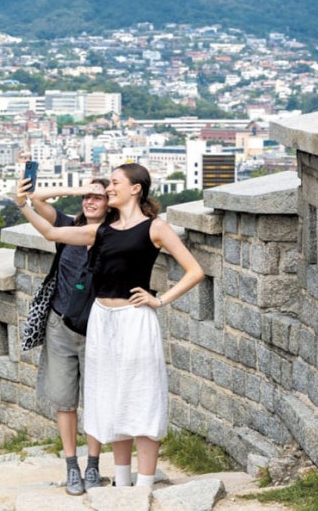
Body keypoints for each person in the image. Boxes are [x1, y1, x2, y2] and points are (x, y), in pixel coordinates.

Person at [16, 163, 205, 489]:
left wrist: (159, 300)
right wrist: (21, 204)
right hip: (102, 321)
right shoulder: (101, 232)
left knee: (142, 397)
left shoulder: (155, 228)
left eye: (115, 183)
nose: (109, 188)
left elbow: (195, 271)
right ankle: (121, 483)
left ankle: (143, 485)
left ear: (136, 188)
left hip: (135, 320)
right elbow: (51, 233)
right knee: (113, 399)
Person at [15, 177, 112, 496]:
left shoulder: (114, 235)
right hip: (60, 324)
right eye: (87, 197)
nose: (90, 201)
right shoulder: (69, 226)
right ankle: (72, 466)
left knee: (96, 399)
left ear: (110, 203)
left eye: (98, 197)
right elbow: (38, 199)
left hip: (98, 327)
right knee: (64, 400)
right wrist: (77, 189)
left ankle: (94, 465)